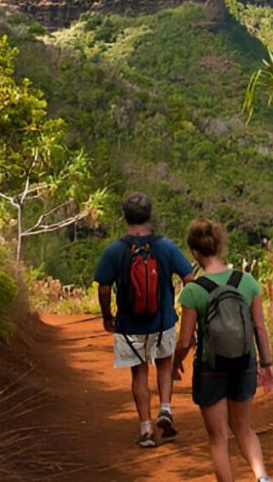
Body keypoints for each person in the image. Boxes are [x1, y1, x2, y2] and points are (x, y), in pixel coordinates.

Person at [172, 218, 273, 482]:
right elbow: (260, 328)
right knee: (244, 428)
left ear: (194, 252)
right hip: (244, 363)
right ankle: (262, 477)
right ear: (220, 246)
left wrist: (175, 364)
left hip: (211, 368)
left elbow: (185, 341)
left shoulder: (194, 291)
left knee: (218, 438)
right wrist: (266, 364)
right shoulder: (248, 281)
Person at [95, 192, 194, 448]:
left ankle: (146, 430)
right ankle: (165, 408)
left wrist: (108, 316)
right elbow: (189, 278)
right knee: (164, 365)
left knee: (138, 375)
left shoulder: (115, 250)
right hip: (162, 322)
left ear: (124, 216)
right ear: (150, 216)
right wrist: (188, 314)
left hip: (129, 325)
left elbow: (104, 286)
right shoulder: (166, 247)